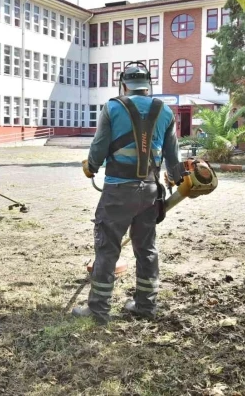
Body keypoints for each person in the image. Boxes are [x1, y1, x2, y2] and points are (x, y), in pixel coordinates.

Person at [73, 63, 181, 324]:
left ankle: (98, 309)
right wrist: (178, 179)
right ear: (148, 85)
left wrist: (91, 166)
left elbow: (98, 148)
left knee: (107, 248)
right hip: (150, 192)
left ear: (123, 84)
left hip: (118, 192)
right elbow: (173, 158)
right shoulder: (165, 111)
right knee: (146, 249)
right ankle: (145, 305)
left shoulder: (112, 107)